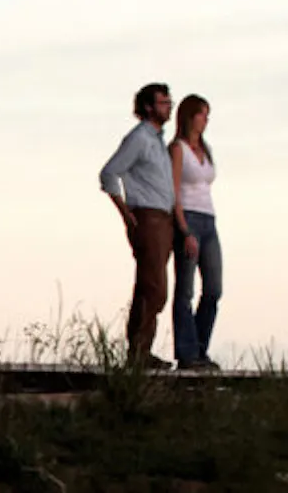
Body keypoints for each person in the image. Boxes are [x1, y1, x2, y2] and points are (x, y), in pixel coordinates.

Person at [98, 81, 177, 368]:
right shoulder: (139, 138)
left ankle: (142, 350)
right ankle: (139, 353)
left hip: (163, 217)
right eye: (163, 103)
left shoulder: (157, 141)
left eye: (169, 102)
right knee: (153, 286)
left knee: (154, 286)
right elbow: (109, 173)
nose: (168, 107)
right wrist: (125, 211)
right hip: (147, 215)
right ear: (148, 107)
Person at [169, 93, 222, 370]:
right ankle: (187, 353)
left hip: (209, 219)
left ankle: (200, 348)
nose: (206, 120)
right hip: (188, 217)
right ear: (190, 117)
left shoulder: (205, 148)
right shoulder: (178, 149)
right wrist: (184, 229)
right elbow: (174, 191)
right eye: (202, 114)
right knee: (185, 289)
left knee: (213, 288)